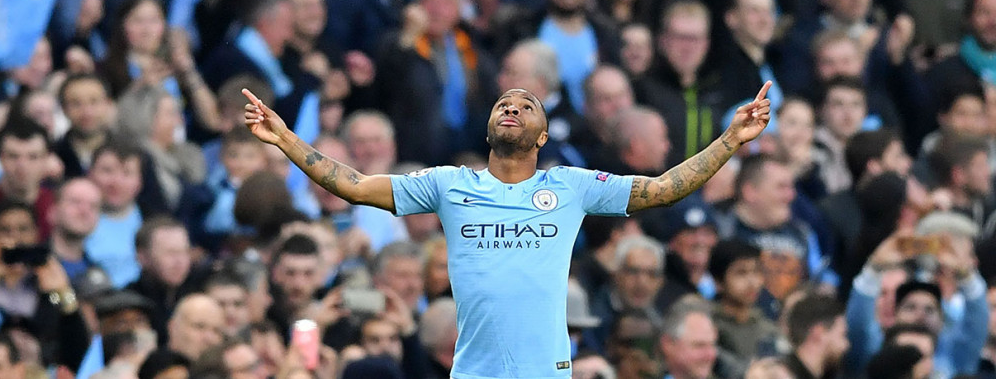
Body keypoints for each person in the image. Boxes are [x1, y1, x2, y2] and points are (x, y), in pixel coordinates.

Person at [243, 79, 773, 378]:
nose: (513, 107)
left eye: (527, 105)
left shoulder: (571, 186)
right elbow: (356, 185)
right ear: (490, 127)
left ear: (542, 136)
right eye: (503, 104)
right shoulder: (449, 184)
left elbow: (662, 188)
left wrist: (729, 140)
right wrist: (286, 139)